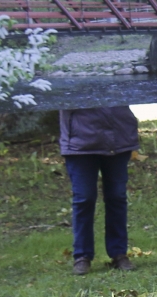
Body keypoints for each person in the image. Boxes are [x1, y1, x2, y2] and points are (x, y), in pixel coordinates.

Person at [59, 107, 139, 274]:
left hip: (118, 137)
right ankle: (82, 256)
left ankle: (119, 253)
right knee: (84, 198)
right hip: (79, 141)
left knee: (117, 196)